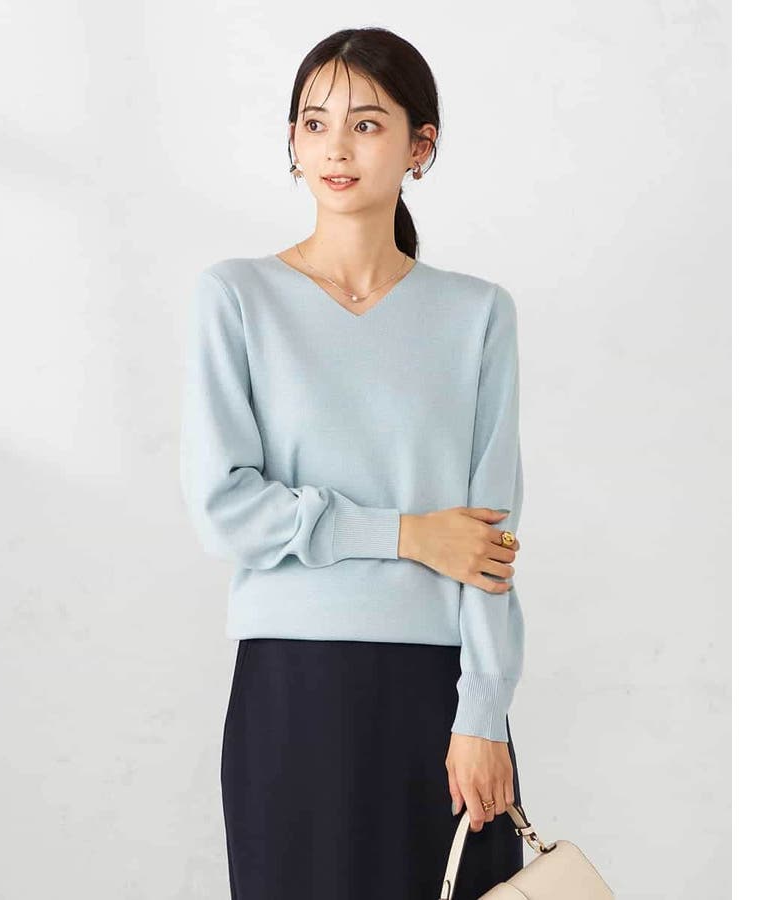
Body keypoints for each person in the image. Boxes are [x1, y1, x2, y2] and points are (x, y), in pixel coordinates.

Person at [179, 26, 528, 900]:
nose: (337, 146)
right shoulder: (236, 297)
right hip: (291, 688)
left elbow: (490, 542)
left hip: (439, 695)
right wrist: (407, 534)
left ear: (420, 147)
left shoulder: (478, 314)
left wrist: (484, 712)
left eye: (367, 124)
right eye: (315, 122)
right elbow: (225, 509)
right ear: (293, 144)